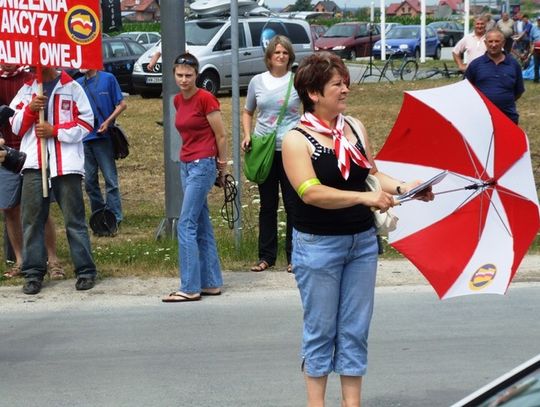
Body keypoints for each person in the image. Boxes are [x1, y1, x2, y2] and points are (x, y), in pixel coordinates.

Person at [281, 51, 434, 407]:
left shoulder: (354, 128)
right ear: (314, 93)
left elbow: (372, 174)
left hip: (362, 243)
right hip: (318, 246)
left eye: (345, 82)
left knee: (355, 329)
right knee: (321, 330)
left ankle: (353, 404)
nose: (345, 89)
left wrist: (405, 188)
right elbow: (311, 192)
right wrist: (366, 200)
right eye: (337, 83)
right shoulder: (296, 139)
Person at [9, 67, 97, 295]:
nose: (34, 63)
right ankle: (33, 273)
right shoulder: (27, 89)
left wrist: (55, 131)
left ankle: (85, 271)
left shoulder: (72, 87)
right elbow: (16, 126)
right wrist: (30, 109)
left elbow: (87, 124)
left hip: (66, 164)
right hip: (34, 164)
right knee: (31, 220)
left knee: (74, 220)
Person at [162, 53, 227, 303]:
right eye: (179, 75)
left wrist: (222, 168)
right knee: (201, 223)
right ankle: (210, 282)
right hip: (186, 163)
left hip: (203, 164)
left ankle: (189, 287)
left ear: (197, 75)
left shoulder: (206, 99)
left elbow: (221, 135)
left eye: (189, 75)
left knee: (186, 223)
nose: (184, 79)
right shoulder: (178, 101)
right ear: (173, 74)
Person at [241, 35, 300, 273]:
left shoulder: (297, 81)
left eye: (285, 52)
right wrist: (247, 135)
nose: (281, 56)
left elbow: (309, 111)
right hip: (265, 150)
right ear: (269, 57)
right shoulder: (258, 81)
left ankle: (294, 256)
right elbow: (248, 112)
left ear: (290, 56)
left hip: (291, 150)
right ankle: (266, 257)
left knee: (293, 204)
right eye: (276, 52)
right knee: (267, 205)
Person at [0, 63, 64, 280]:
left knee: (40, 206)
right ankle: (20, 260)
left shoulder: (32, 80)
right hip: (4, 151)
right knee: (10, 208)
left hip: (34, 149)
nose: (6, 60)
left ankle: (52, 258)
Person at [77, 69, 127, 228]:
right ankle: (99, 214)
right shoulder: (78, 83)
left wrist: (108, 122)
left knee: (110, 179)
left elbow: (121, 104)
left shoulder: (108, 79)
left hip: (103, 138)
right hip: (85, 139)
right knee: (90, 181)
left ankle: (115, 215)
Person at [465, 29, 525, 124]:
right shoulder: (475, 65)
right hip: (481, 117)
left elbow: (518, 91)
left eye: (497, 41)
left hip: (508, 117)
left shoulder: (513, 64)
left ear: (503, 43)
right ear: (485, 43)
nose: (493, 45)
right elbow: (466, 90)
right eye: (490, 41)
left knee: (507, 139)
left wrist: (503, 100)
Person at [529, 16, 540, 83]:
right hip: (536, 49)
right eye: (539, 20)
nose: (539, 22)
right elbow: (531, 40)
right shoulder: (533, 28)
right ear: (537, 21)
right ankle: (536, 79)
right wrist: (531, 48)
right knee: (536, 65)